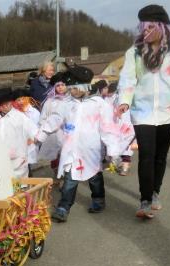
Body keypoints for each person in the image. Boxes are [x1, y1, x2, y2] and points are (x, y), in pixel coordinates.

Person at [117, 4, 170, 219]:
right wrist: (124, 101)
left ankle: (155, 192)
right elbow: (127, 78)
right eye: (143, 28)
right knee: (146, 155)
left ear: (162, 27)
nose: (145, 32)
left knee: (160, 156)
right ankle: (145, 200)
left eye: (150, 27)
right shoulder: (134, 52)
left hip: (169, 111)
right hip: (142, 111)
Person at [36, 65, 129, 223]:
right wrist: (41, 134)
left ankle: (98, 200)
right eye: (70, 89)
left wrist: (113, 150)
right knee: (70, 180)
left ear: (84, 87)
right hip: (71, 150)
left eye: (74, 88)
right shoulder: (67, 104)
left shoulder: (98, 104)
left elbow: (108, 128)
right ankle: (63, 207)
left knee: (94, 178)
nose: (71, 92)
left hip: (90, 151)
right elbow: (55, 119)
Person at [0, 88, 37, 178]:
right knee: (4, 187)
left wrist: (38, 137)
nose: (5, 107)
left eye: (7, 104)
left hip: (18, 162)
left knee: (18, 188)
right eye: (1, 106)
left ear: (11, 102)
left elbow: (34, 132)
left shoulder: (20, 117)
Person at [105, 81, 136, 176]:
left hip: (127, 126)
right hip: (120, 126)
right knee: (121, 146)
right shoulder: (115, 99)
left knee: (125, 148)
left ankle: (124, 167)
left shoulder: (123, 99)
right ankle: (119, 166)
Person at [12, 87, 41, 175]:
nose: (20, 102)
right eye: (18, 100)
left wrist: (31, 138)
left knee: (26, 164)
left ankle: (29, 183)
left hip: (30, 141)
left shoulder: (34, 112)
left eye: (22, 99)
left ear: (27, 99)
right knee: (21, 165)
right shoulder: (15, 112)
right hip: (18, 142)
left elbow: (37, 127)